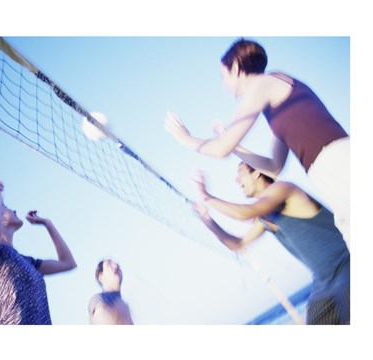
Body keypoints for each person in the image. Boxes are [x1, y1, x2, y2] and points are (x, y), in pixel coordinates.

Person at [165, 38, 350, 247]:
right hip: (327, 170)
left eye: (223, 76)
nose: (223, 84)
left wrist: (185, 139)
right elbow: (274, 168)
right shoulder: (276, 104)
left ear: (235, 68)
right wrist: (232, 144)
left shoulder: (262, 83)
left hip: (337, 162)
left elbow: (220, 150)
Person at [191, 163, 350, 325]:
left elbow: (244, 213)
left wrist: (206, 196)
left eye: (240, 172)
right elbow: (237, 244)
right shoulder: (264, 218)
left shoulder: (284, 188)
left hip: (347, 267)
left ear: (257, 173)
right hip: (324, 283)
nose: (236, 180)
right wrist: (208, 221)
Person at [0, 179, 77, 325]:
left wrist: (47, 223)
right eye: (5, 207)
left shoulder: (26, 262)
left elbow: (68, 263)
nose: (14, 210)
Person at [88, 259, 134, 325]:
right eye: (109, 264)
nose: (116, 266)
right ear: (100, 276)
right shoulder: (99, 299)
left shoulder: (126, 306)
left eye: (117, 265)